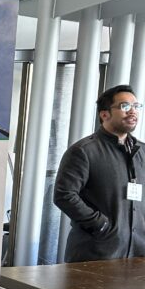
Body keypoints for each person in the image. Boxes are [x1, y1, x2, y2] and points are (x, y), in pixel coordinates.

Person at [54, 84, 145, 263]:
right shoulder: (84, 151)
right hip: (96, 254)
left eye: (136, 106)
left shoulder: (142, 151)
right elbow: (64, 195)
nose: (132, 112)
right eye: (125, 106)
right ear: (104, 114)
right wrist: (100, 225)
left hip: (137, 254)